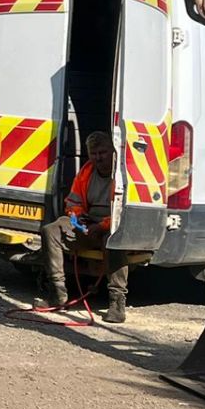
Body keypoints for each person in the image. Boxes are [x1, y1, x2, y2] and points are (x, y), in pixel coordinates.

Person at [38, 129, 130, 323]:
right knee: (51, 230)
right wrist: (77, 219)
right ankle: (57, 292)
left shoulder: (123, 174)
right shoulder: (86, 172)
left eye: (103, 153)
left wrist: (104, 226)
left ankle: (116, 302)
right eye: (94, 154)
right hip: (87, 224)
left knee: (115, 239)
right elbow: (73, 202)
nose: (98, 158)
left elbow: (124, 212)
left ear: (113, 152)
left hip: (111, 226)